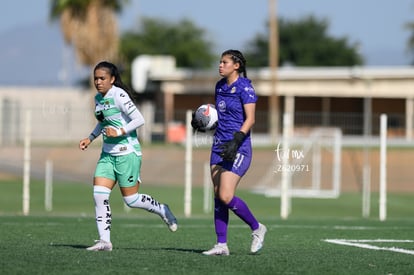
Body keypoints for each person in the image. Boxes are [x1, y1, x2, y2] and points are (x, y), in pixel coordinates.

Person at [79, 61, 178, 251]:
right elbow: (103, 122)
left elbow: (139, 119)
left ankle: (162, 209)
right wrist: (90, 138)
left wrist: (120, 131)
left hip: (127, 154)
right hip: (107, 155)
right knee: (99, 196)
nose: (98, 82)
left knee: (131, 200)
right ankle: (105, 241)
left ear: (112, 79)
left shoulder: (119, 95)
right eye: (96, 78)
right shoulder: (98, 99)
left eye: (102, 78)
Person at [192, 49, 267, 256]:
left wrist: (236, 140)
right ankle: (221, 245)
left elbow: (250, 119)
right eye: (220, 62)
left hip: (238, 146)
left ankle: (257, 228)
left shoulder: (245, 88)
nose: (220, 65)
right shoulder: (219, 87)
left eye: (224, 62)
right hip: (219, 146)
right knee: (218, 196)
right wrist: (202, 122)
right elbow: (219, 117)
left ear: (236, 66)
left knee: (226, 195)